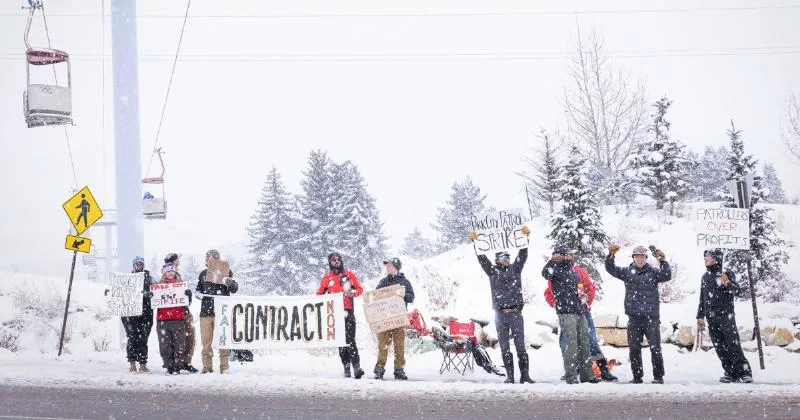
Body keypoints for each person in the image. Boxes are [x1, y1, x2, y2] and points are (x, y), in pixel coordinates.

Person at [469, 226, 534, 384]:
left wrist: (525, 239)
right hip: (500, 314)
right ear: (497, 259)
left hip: (516, 313)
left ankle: (525, 375)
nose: (507, 258)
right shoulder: (492, 271)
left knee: (520, 347)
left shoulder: (515, 269)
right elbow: (482, 258)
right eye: (504, 256)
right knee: (504, 347)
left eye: (508, 256)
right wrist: (475, 242)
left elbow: (523, 255)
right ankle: (510, 376)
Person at [544, 250, 617, 381]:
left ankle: (602, 369)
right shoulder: (555, 273)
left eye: (568, 255)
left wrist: (586, 302)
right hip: (567, 313)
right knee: (565, 343)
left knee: (591, 341)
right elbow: (548, 292)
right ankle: (572, 371)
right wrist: (555, 303)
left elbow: (590, 288)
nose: (566, 257)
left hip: (583, 312)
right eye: (563, 255)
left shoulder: (578, 271)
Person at [605, 244, 672, 384]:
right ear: (633, 258)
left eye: (642, 256)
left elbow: (667, 275)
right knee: (634, 349)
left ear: (646, 258)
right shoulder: (627, 272)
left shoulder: (653, 272)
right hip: (634, 317)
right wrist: (611, 256)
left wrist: (662, 261)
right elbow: (610, 269)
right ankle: (637, 377)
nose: (639, 258)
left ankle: (658, 377)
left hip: (651, 317)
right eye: (636, 256)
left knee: (655, 348)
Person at [696, 249, 753, 383]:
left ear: (716, 259)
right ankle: (730, 372)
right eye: (705, 257)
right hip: (711, 317)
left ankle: (745, 372)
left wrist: (727, 282)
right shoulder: (705, 277)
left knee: (732, 343)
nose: (705, 259)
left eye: (708, 257)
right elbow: (702, 298)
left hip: (725, 315)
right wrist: (700, 315)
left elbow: (737, 291)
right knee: (719, 346)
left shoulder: (726, 273)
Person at [316, 253, 365, 379]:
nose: (337, 261)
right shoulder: (327, 278)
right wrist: (327, 299)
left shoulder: (349, 275)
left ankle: (356, 367)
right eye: (334, 260)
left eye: (339, 259)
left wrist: (352, 293)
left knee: (351, 340)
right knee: (341, 341)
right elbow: (319, 294)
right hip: (334, 314)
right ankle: (346, 368)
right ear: (330, 263)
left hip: (348, 311)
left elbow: (360, 289)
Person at [196, 249, 238, 374]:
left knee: (223, 340)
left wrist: (230, 283)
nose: (211, 259)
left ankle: (224, 367)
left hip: (222, 312)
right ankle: (207, 367)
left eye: (214, 257)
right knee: (206, 342)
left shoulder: (227, 272)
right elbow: (197, 291)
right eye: (209, 257)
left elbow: (235, 289)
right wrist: (199, 295)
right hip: (206, 312)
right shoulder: (203, 274)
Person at [373, 257, 415, 380]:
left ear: (396, 267)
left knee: (399, 345)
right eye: (386, 265)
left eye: (389, 265)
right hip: (384, 319)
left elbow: (411, 297)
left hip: (399, 319)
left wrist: (404, 295)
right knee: (383, 345)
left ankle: (399, 370)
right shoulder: (383, 282)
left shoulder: (405, 282)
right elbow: (375, 297)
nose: (387, 267)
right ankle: (379, 370)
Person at [164, 252, 199, 373]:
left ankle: (186, 361)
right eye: (177, 260)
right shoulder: (167, 276)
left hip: (184, 310)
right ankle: (176, 363)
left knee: (190, 335)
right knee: (177, 339)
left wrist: (187, 295)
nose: (179, 261)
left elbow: (181, 293)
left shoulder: (178, 275)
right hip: (174, 313)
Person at [120, 256, 154, 373]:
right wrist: (109, 292)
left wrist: (149, 294)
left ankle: (143, 364)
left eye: (141, 263)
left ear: (143, 265)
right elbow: (118, 293)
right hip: (130, 314)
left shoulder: (150, 279)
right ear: (133, 265)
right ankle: (132, 363)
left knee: (143, 339)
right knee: (132, 337)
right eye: (137, 263)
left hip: (146, 313)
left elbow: (157, 292)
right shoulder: (126, 279)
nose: (139, 265)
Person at [156, 263, 189, 375]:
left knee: (179, 344)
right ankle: (169, 366)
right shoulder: (158, 286)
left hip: (178, 318)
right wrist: (151, 296)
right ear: (164, 273)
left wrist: (188, 296)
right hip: (163, 319)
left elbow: (187, 303)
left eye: (172, 271)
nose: (170, 273)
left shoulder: (180, 285)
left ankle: (177, 366)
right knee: (165, 345)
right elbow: (154, 302)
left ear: (175, 272)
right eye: (168, 271)